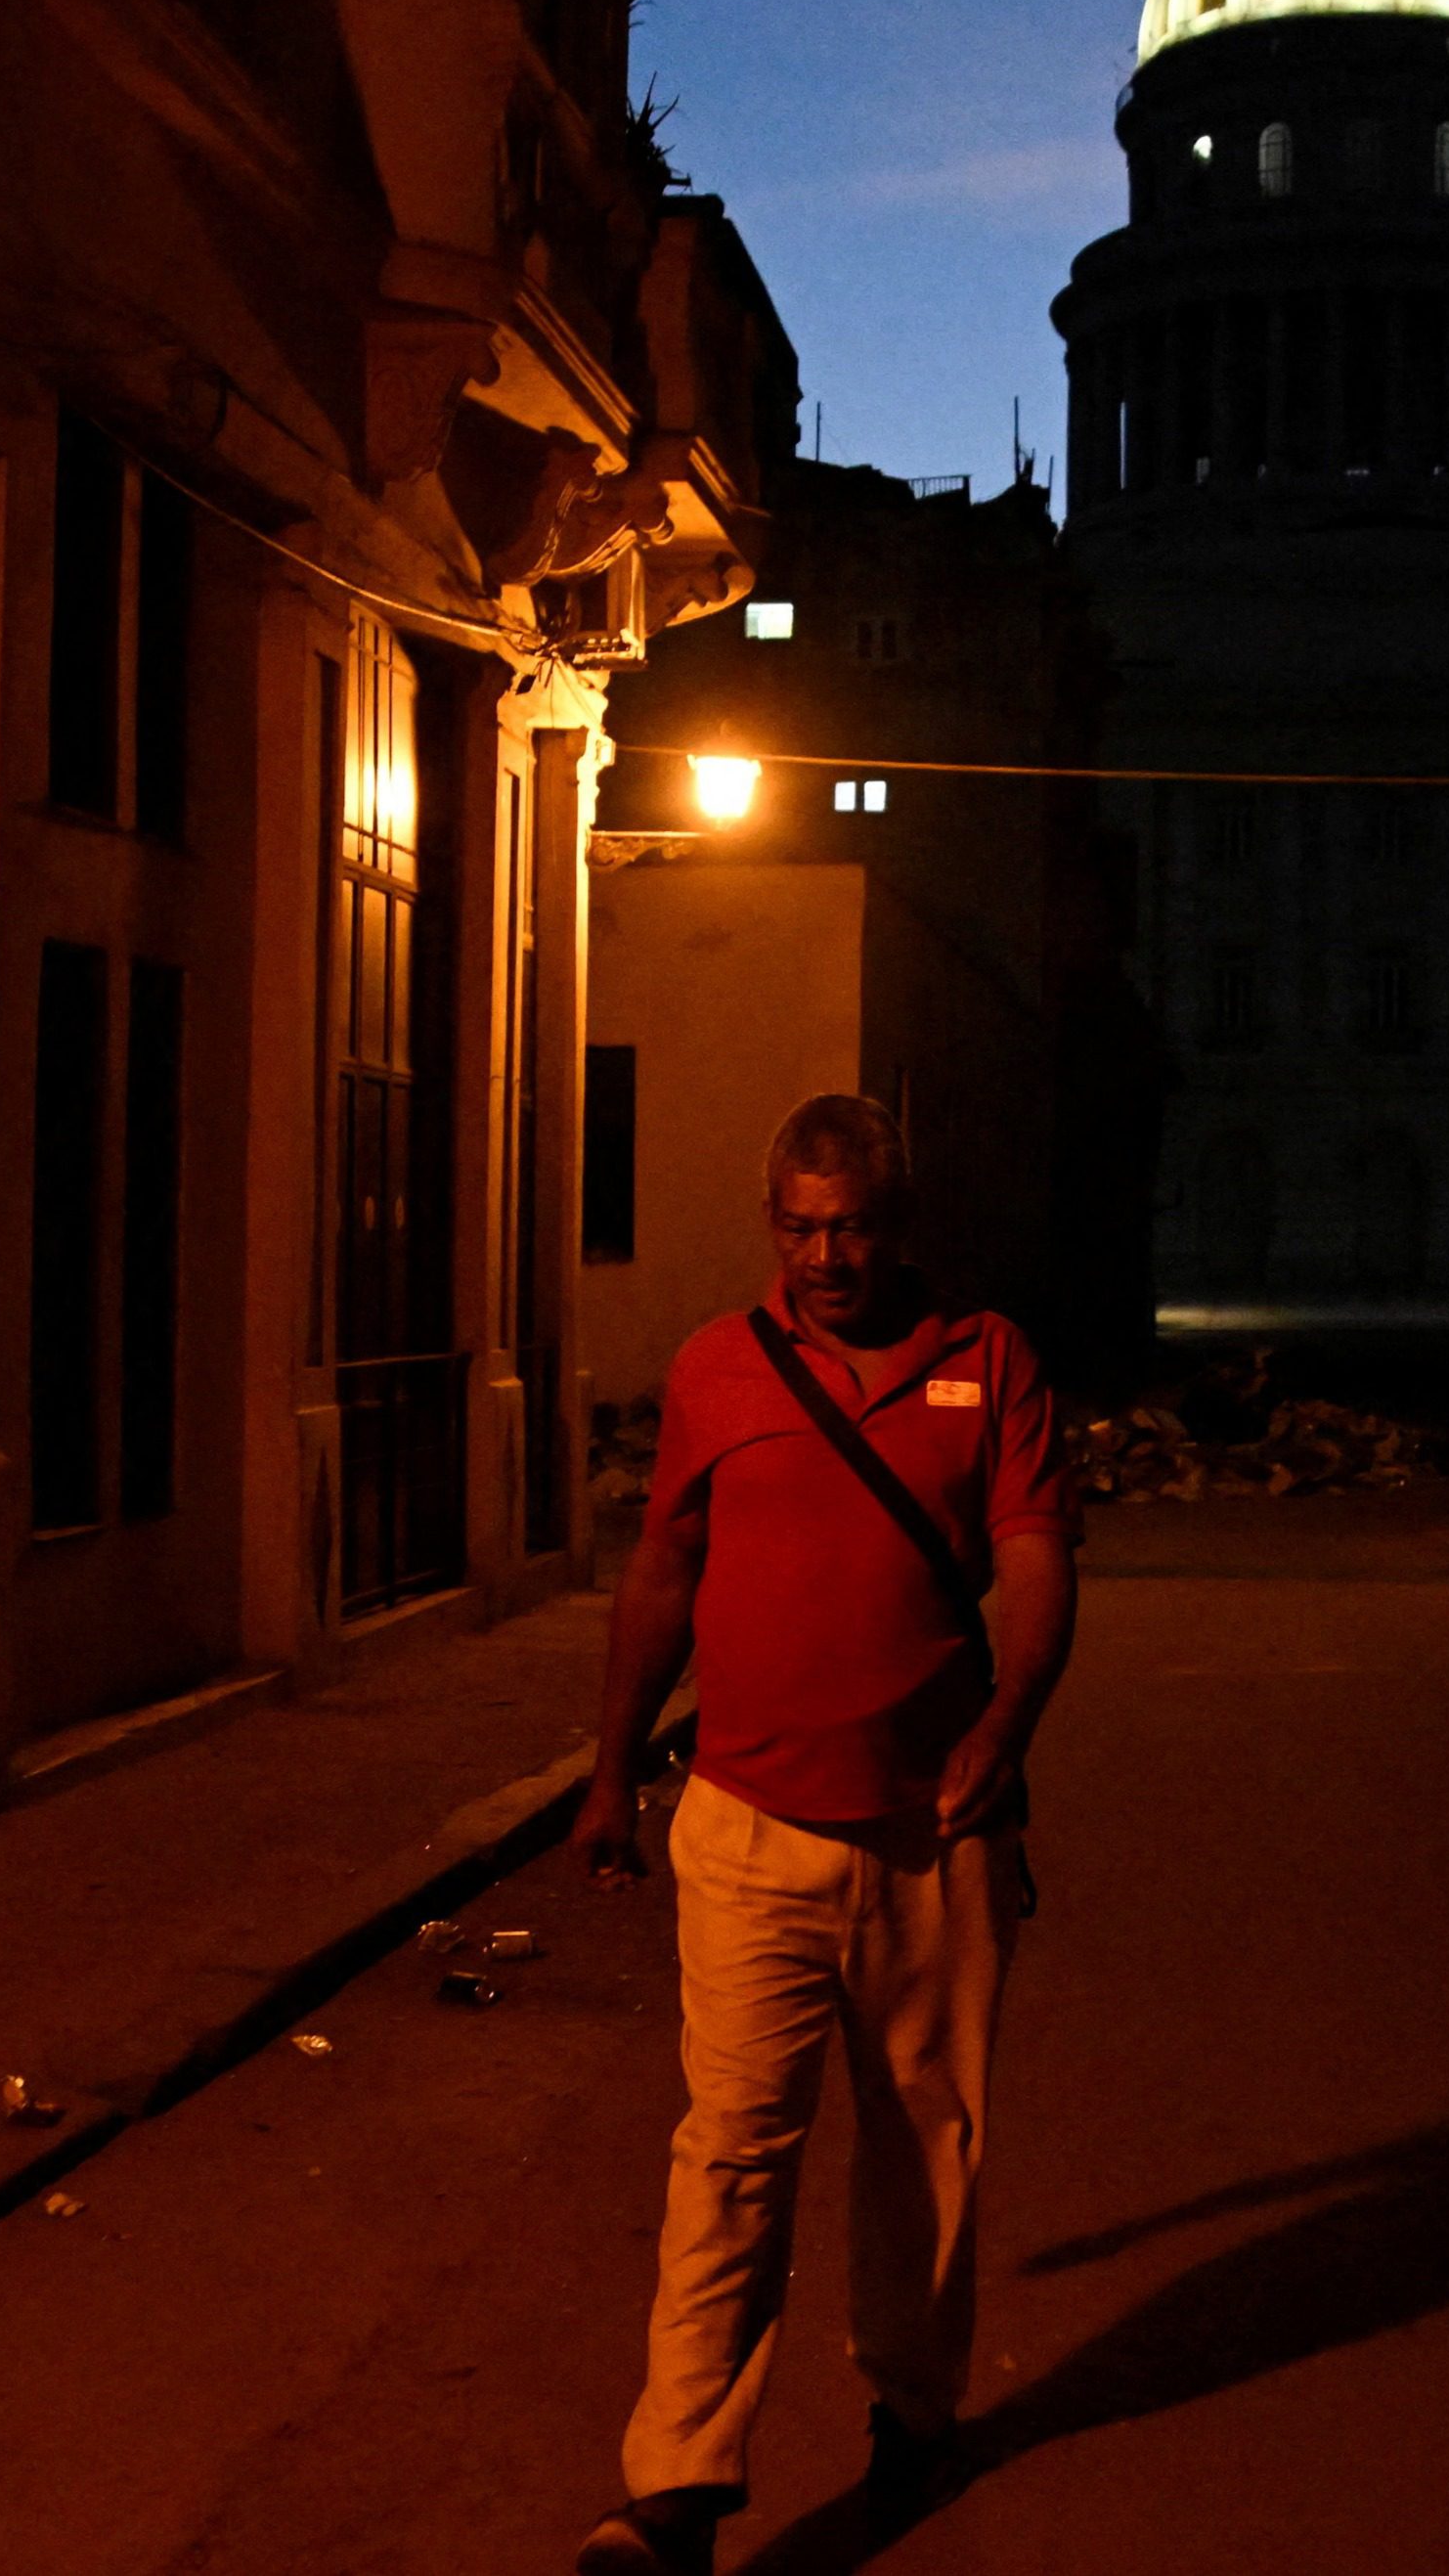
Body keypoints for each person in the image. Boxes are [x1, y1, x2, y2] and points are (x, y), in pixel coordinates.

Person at [572, 1094, 1077, 2575]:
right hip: (746, 1828)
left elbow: (1038, 1568)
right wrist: (609, 1768)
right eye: (799, 1227)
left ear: (897, 1222)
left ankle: (912, 2414)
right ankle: (673, 2488)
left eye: (850, 1224)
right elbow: (662, 1572)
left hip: (934, 1840)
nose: (825, 1254)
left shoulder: (989, 1364)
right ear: (771, 1223)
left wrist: (1007, 1727)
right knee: (728, 2149)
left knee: (925, 2143)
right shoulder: (717, 1368)